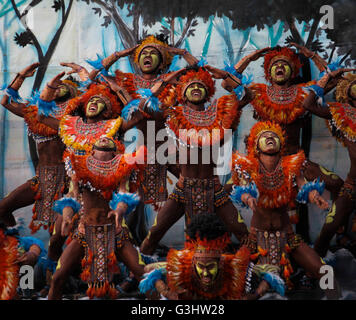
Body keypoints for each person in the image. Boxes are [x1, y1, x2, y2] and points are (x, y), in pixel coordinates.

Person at [140, 65, 249, 256]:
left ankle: (259, 272)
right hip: (184, 188)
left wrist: (224, 75)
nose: (196, 89)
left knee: (243, 233)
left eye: (200, 86)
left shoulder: (218, 112)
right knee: (154, 233)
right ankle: (141, 275)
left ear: (208, 92)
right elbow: (144, 106)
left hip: (213, 188)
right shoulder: (173, 114)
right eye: (190, 86)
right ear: (182, 93)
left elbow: (247, 96)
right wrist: (166, 81)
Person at [230, 121, 340, 299]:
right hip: (256, 237)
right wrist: (248, 198)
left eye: (274, 136)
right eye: (265, 137)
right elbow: (243, 187)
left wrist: (315, 196)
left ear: (281, 143)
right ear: (255, 145)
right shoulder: (247, 166)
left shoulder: (291, 166)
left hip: (288, 236)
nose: (270, 138)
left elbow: (304, 185)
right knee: (234, 275)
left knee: (325, 271)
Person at [48, 137, 146, 299]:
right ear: (92, 151)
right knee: (58, 278)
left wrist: (119, 211)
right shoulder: (79, 165)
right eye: (99, 144)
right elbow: (72, 195)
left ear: (114, 152)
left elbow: (123, 194)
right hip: (84, 233)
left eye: (108, 144)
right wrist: (66, 217)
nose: (103, 139)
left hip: (114, 233)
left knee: (143, 274)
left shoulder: (122, 166)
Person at [139, 213, 285, 300]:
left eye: (210, 267)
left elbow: (273, 270)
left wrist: (256, 295)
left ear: (220, 263)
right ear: (194, 261)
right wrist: (166, 291)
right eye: (201, 266)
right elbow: (149, 269)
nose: (205, 272)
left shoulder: (234, 267)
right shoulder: (182, 265)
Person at [303, 68, 356, 257]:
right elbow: (308, 104)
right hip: (352, 186)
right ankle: (314, 271)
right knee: (328, 229)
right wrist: (326, 79)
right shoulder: (343, 113)